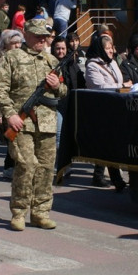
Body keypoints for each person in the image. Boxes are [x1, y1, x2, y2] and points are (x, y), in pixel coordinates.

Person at [0, 18, 66, 231]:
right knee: (26, 165)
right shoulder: (12, 58)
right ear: (27, 35)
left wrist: (56, 86)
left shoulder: (51, 60)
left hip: (47, 122)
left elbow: (63, 92)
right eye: (38, 37)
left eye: (45, 37)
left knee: (45, 168)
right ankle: (19, 212)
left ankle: (41, 212)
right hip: (21, 123)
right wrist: (10, 115)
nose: (42, 40)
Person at [82, 34, 129, 191]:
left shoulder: (113, 62)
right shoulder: (92, 66)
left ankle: (105, 176)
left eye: (111, 47)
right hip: (101, 110)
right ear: (100, 49)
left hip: (116, 108)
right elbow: (99, 87)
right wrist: (122, 85)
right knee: (108, 145)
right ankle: (113, 179)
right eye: (107, 48)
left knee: (110, 146)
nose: (111, 51)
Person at [0, 28, 26, 180]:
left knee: (17, 138)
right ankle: (9, 168)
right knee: (13, 138)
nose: (17, 46)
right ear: (6, 45)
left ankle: (12, 166)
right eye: (13, 43)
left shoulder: (22, 59)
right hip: (7, 107)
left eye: (19, 43)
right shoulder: (0, 61)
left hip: (21, 105)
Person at [51, 37, 85, 185]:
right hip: (56, 104)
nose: (60, 51)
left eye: (63, 48)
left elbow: (80, 81)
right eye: (58, 48)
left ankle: (67, 165)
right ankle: (59, 166)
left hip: (71, 103)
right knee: (58, 137)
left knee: (69, 137)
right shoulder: (50, 63)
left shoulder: (72, 63)